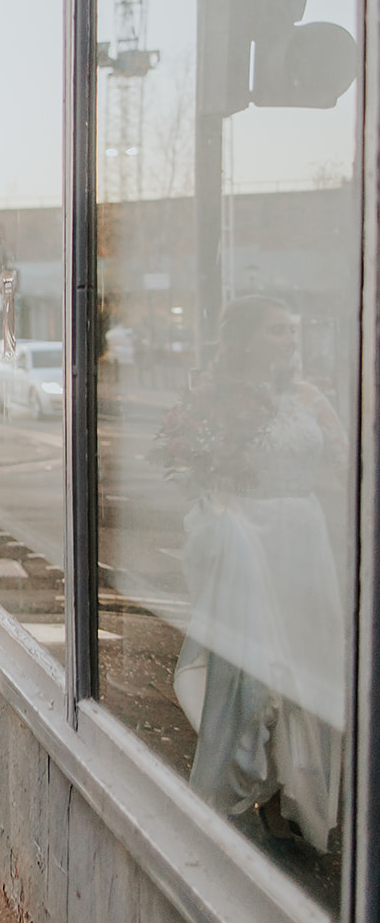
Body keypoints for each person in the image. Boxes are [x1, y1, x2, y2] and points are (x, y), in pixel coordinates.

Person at [154, 295, 347, 853]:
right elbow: (195, 469)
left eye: (291, 331)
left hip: (304, 543)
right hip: (252, 544)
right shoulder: (218, 399)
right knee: (257, 670)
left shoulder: (310, 397)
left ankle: (299, 791)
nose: (288, 341)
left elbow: (342, 464)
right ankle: (249, 784)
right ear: (243, 340)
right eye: (275, 332)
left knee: (309, 666)